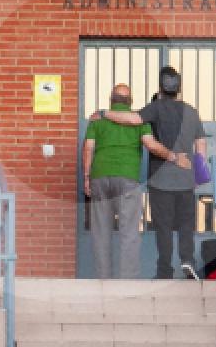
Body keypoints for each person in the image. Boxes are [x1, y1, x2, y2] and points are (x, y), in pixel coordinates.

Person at [100, 66, 207, 280]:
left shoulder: (156, 108)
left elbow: (132, 120)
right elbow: (201, 145)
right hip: (186, 181)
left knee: (163, 227)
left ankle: (164, 270)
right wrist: (199, 175)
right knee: (187, 224)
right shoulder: (192, 111)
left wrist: (104, 113)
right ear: (179, 88)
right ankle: (188, 261)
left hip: (161, 181)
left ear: (160, 88)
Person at [82, 83, 171, 279]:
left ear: (111, 100)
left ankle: (103, 281)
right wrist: (172, 156)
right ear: (130, 101)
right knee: (129, 232)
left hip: (100, 176)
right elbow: (151, 145)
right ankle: (127, 281)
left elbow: (88, 147)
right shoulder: (139, 120)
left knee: (101, 233)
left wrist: (86, 176)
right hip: (128, 178)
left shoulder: (98, 119)